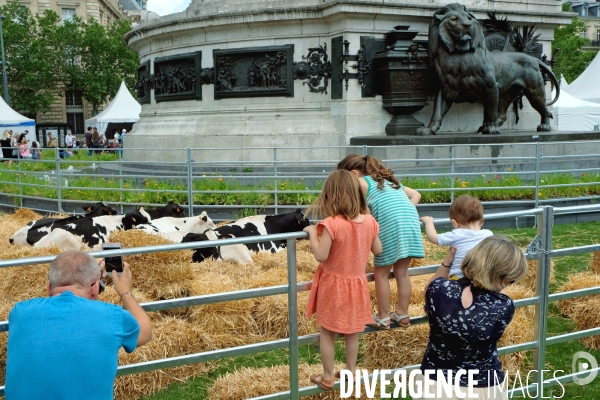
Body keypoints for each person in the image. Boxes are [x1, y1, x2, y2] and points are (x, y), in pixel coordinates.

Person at [5, 250, 152, 399]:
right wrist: (125, 291)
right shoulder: (113, 316)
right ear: (95, 288)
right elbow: (145, 332)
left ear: (49, 287)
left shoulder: (19, 312)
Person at [412, 236, 527, 399]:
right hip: (483, 385)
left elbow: (431, 286)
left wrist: (447, 262)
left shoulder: (438, 290)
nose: (509, 283)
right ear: (496, 274)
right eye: (509, 278)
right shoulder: (503, 305)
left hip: (434, 383)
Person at [303, 169, 382, 391]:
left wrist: (311, 233)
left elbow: (321, 255)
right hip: (357, 285)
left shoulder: (331, 224)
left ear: (331, 196)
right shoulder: (369, 221)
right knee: (352, 332)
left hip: (334, 286)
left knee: (327, 332)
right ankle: (351, 371)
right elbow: (378, 249)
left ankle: (328, 376)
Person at [337, 154, 424, 329]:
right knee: (402, 272)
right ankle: (402, 314)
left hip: (390, 229)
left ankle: (383, 316)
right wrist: (403, 212)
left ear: (353, 174)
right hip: (410, 226)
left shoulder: (362, 183)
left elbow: (363, 211)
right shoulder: (389, 181)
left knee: (381, 274)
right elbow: (416, 194)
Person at [420, 195, 493, 280]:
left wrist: (428, 222)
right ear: (482, 222)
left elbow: (433, 237)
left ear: (455, 223)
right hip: (483, 280)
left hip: (458, 279)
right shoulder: (489, 235)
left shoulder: (457, 234)